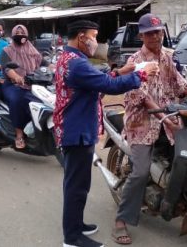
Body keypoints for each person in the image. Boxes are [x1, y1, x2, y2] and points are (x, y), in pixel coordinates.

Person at [53, 20, 159, 247]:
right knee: (76, 186)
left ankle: (76, 225)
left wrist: (121, 71)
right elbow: (107, 86)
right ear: (82, 37)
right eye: (94, 36)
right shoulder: (77, 64)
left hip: (75, 126)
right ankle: (71, 238)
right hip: (77, 130)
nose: (97, 42)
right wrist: (141, 74)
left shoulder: (71, 58)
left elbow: (97, 80)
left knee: (78, 184)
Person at [112, 14, 187, 245]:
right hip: (142, 122)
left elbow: (181, 86)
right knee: (140, 172)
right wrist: (165, 118)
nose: (155, 36)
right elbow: (142, 97)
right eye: (149, 33)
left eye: (158, 32)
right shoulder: (135, 61)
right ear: (141, 35)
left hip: (170, 117)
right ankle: (121, 220)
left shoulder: (168, 56)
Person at [0, 24, 46, 149]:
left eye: (22, 31)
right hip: (13, 84)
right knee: (17, 100)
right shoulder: (7, 50)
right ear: (13, 34)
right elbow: (7, 68)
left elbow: (45, 63)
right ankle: (19, 134)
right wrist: (16, 77)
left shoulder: (33, 50)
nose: (20, 34)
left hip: (33, 84)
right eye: (17, 31)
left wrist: (55, 69)